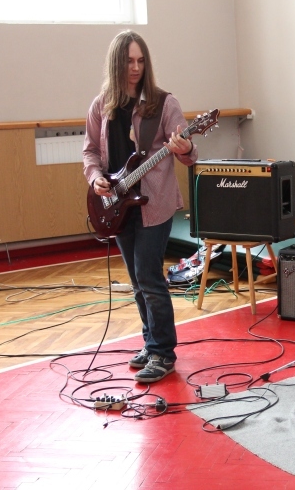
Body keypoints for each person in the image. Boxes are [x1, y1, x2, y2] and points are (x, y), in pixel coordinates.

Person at [82, 30, 198, 383]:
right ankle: (151, 343)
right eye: (129, 61)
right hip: (118, 205)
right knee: (136, 280)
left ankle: (163, 352)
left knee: (149, 276)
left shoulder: (164, 103)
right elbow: (90, 151)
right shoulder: (102, 105)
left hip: (154, 204)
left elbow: (190, 155)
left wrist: (185, 149)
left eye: (141, 61)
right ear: (115, 64)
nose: (135, 68)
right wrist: (95, 178)